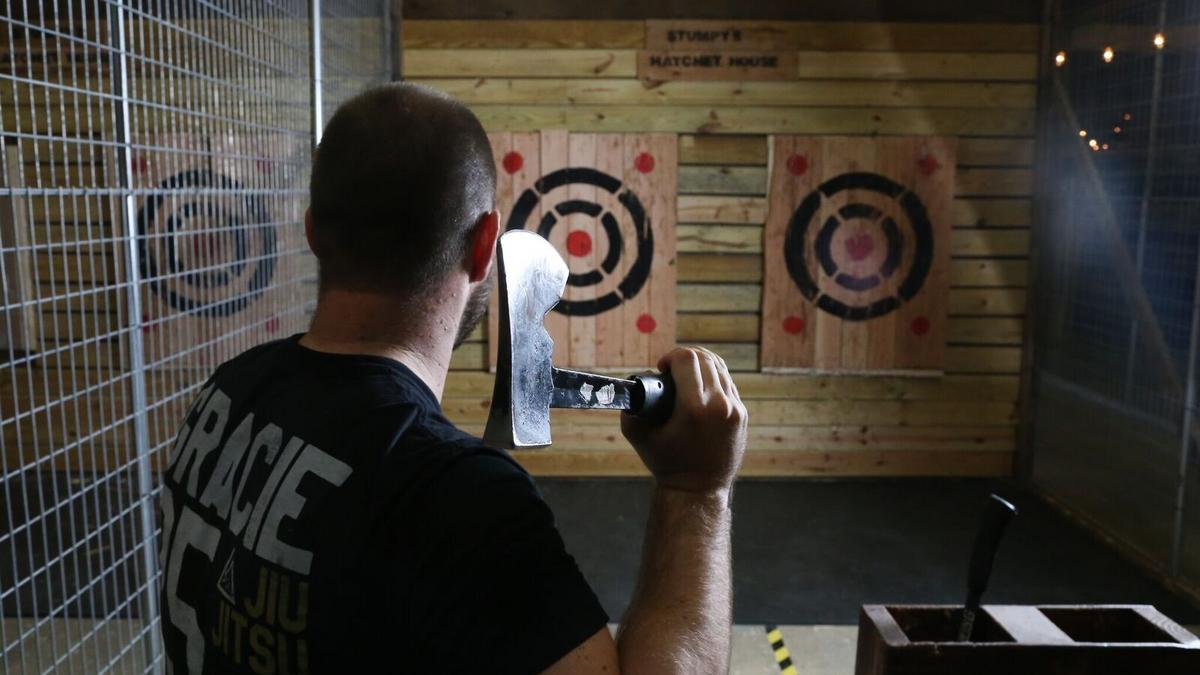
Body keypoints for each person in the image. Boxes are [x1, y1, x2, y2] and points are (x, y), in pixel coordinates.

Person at [158, 82, 747, 675]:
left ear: (313, 231)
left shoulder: (228, 391)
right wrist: (695, 490)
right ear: (486, 243)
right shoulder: (452, 496)